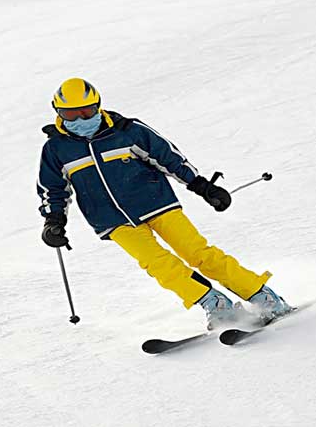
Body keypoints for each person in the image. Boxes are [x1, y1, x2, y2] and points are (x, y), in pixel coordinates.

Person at [36, 78, 292, 328]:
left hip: (156, 203)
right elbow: (53, 189)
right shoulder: (56, 149)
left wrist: (202, 187)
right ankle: (214, 304)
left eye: (87, 111)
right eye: (71, 114)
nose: (81, 119)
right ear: (58, 113)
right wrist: (53, 221)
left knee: (199, 254)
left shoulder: (128, 131)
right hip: (112, 220)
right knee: (159, 266)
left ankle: (263, 296)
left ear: (98, 106)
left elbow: (168, 158)